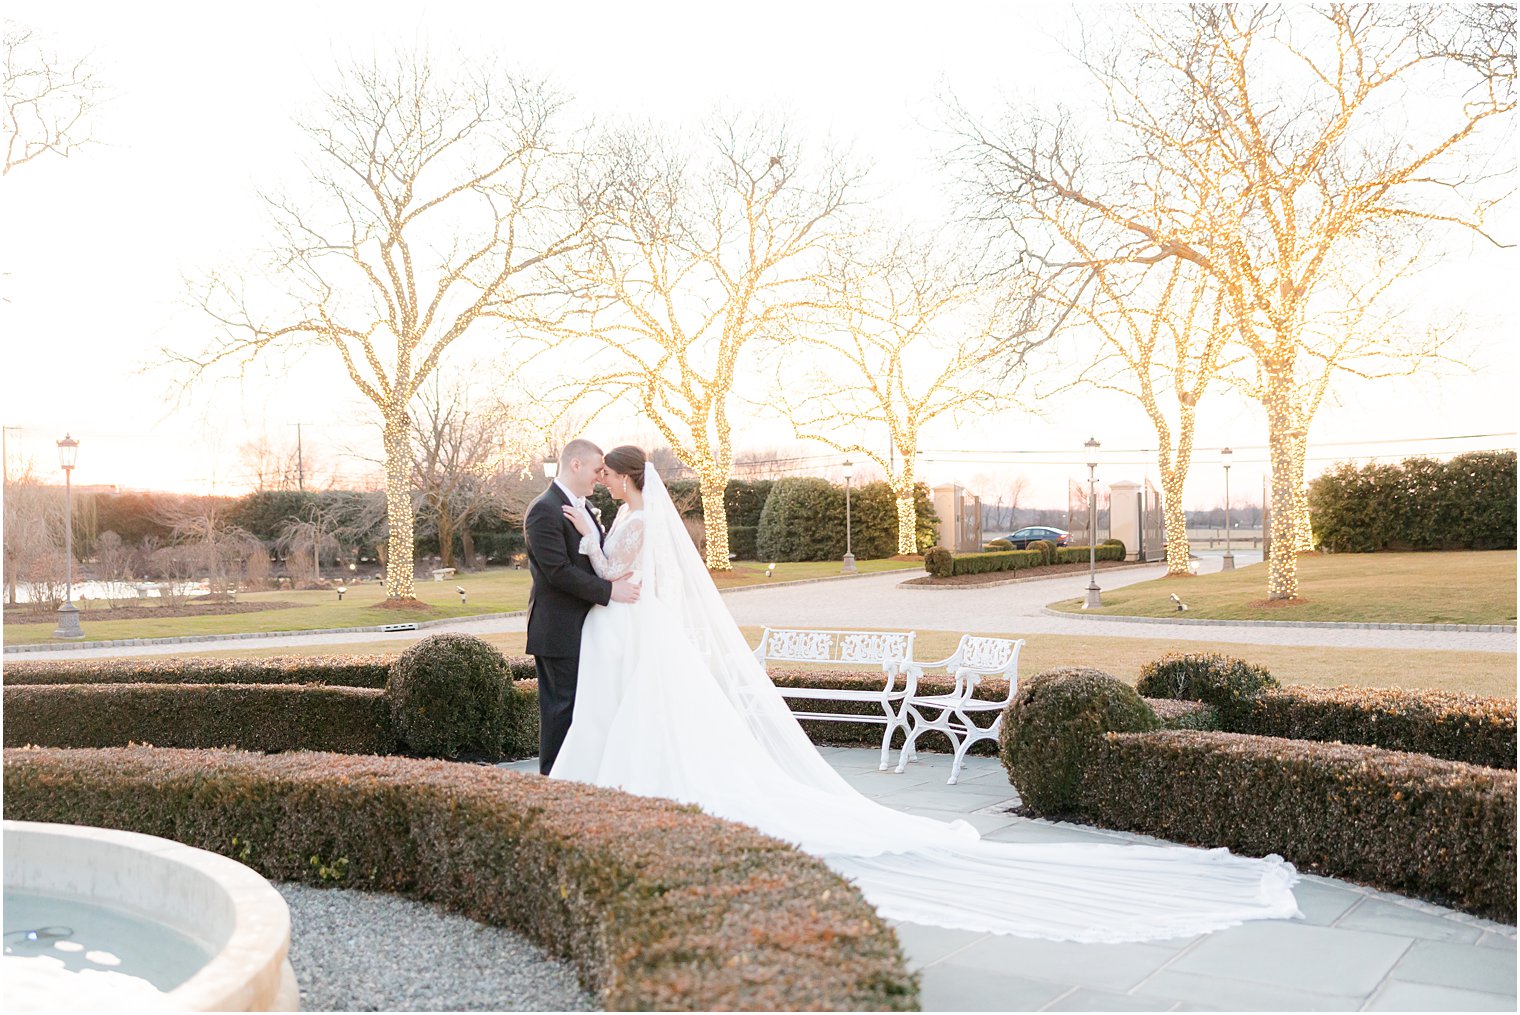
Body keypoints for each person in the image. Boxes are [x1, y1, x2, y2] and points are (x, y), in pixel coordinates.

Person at [550, 445, 1302, 941]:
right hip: (631, 626)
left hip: (634, 622)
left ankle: (630, 790)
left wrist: (585, 545)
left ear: (619, 476)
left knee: (654, 716)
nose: (605, 484)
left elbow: (623, 572)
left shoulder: (636, 517)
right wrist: (589, 538)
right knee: (647, 714)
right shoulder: (625, 511)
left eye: (608, 477)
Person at [521, 439, 640, 776]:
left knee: (584, 710)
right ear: (576, 465)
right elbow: (557, 572)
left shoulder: (584, 508)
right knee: (561, 710)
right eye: (596, 469)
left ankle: (579, 781)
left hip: (588, 628)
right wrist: (610, 590)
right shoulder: (544, 509)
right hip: (558, 629)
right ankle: (553, 783)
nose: (599, 477)